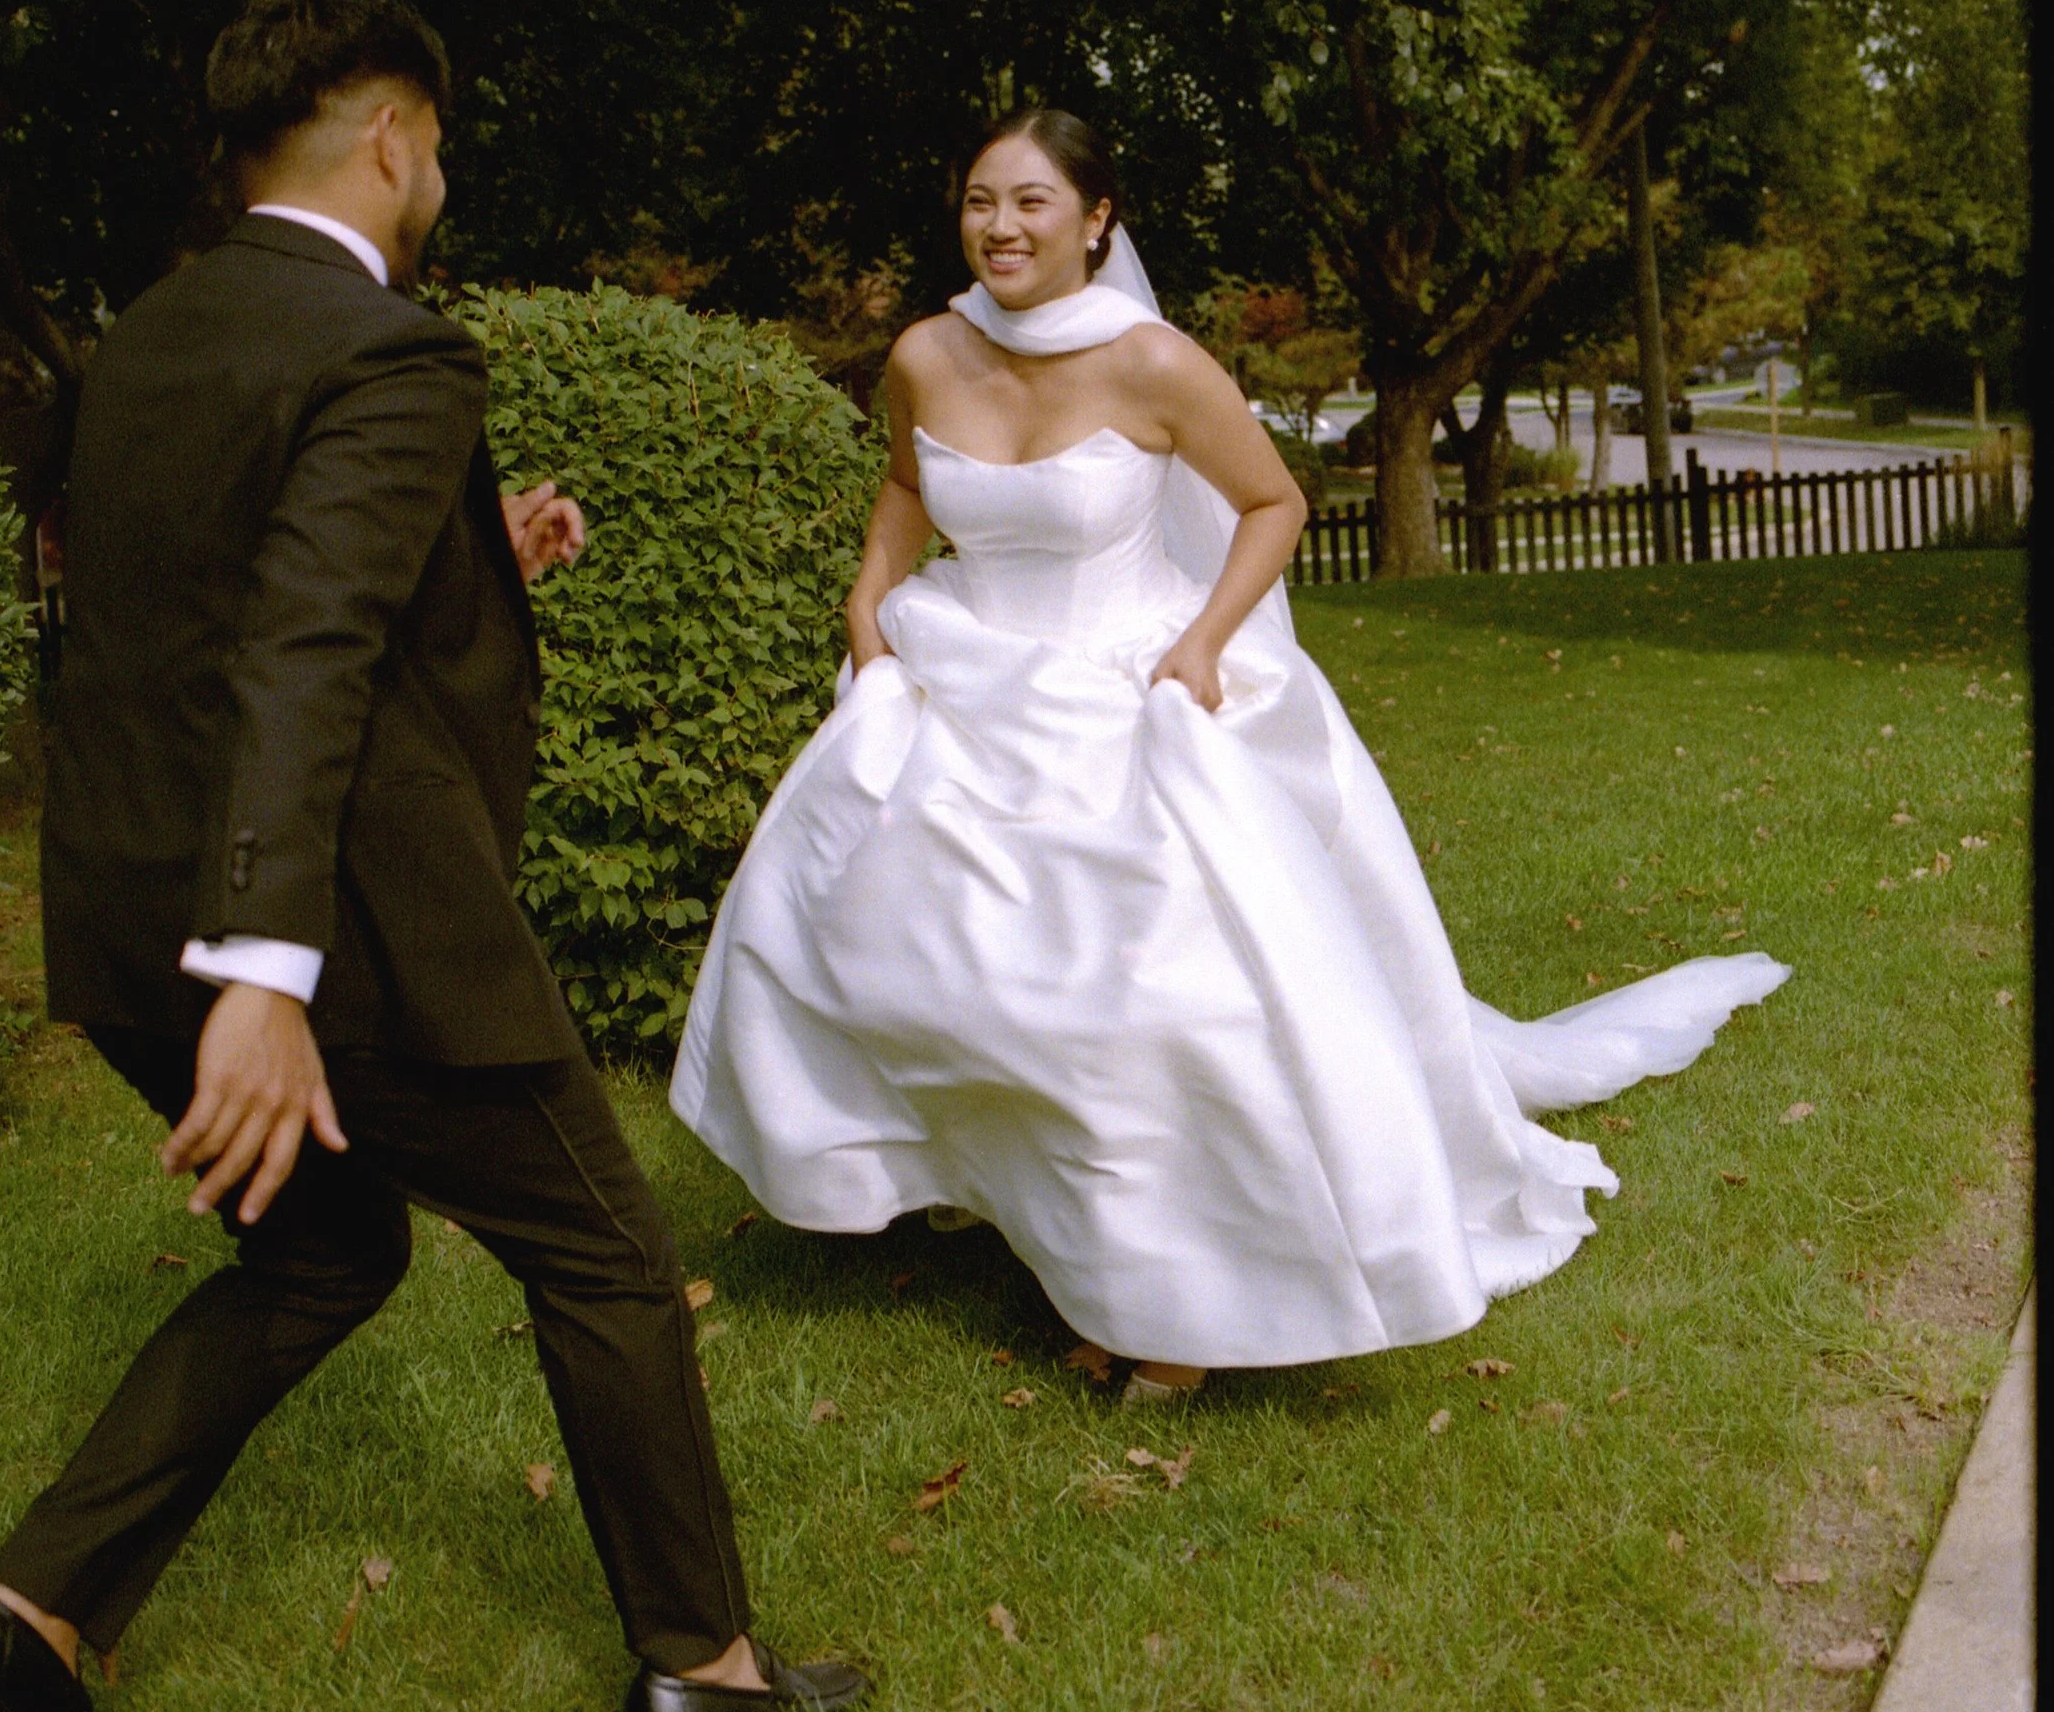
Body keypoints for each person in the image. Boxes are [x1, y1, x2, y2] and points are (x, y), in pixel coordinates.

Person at [0, 0, 868, 1712]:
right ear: (393, 135)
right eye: (442, 149)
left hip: (123, 926)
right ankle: (704, 1669)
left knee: (321, 1253)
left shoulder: (147, 345)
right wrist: (264, 973)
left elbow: (202, 609)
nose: (442, 179)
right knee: (604, 1247)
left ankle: (16, 1629)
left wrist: (474, 561)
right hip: (335, 942)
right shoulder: (389, 348)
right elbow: (307, 648)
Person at [671, 107, 1787, 1400]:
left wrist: (1204, 641)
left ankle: (1180, 1305)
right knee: (939, 977)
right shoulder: (924, 352)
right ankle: (1047, 1229)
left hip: (1125, 690)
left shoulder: (1153, 365)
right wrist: (868, 604)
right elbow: (910, 489)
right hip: (962, 684)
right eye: (980, 199)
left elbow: (1273, 501)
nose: (1001, 226)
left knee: (1151, 1007)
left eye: (1032, 202)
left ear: (1096, 221)